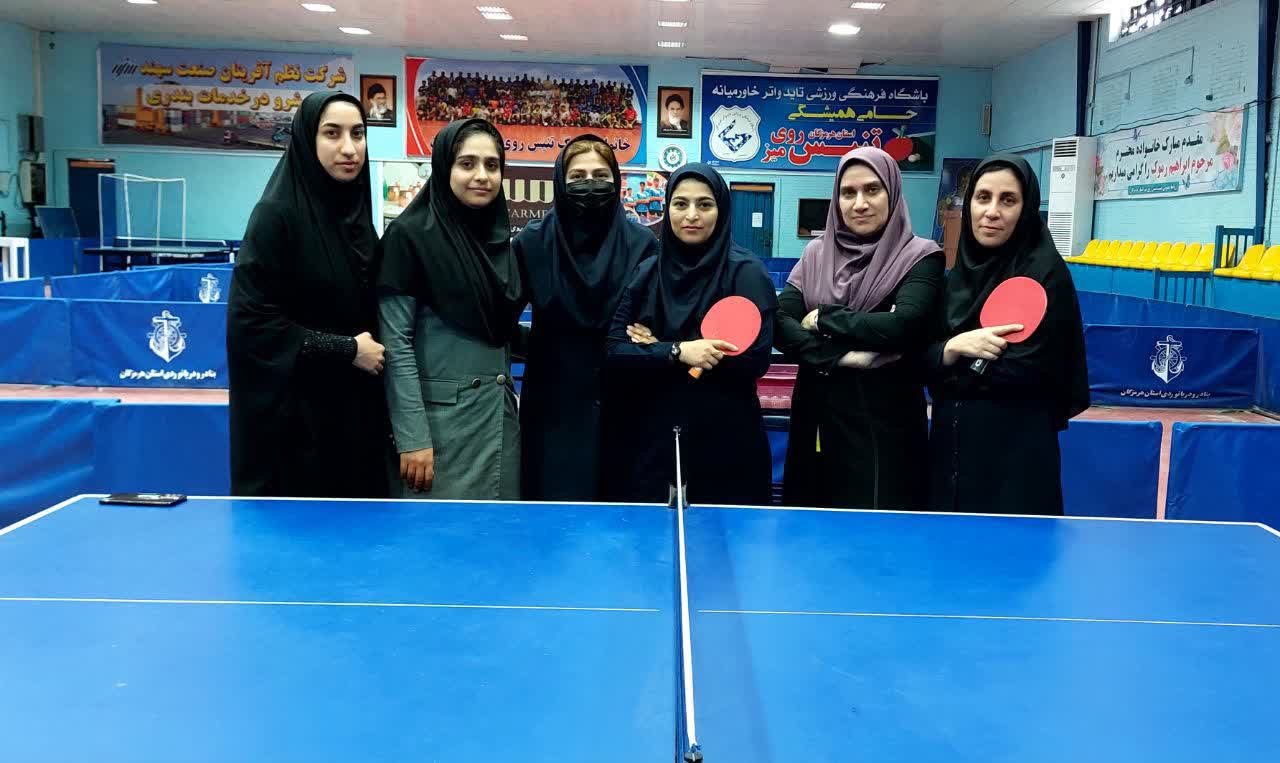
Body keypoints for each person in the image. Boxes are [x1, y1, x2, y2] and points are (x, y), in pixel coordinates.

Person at [227, 91, 390, 497]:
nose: (349, 148)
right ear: (306, 140)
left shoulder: (357, 220)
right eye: (332, 133)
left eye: (358, 134)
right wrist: (346, 349)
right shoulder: (276, 216)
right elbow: (252, 324)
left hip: (354, 420)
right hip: (296, 433)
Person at [776, 147, 945, 510]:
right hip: (816, 418)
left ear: (892, 192)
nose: (859, 204)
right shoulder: (815, 254)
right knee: (809, 527)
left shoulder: (921, 256)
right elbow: (779, 323)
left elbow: (903, 326)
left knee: (879, 532)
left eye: (872, 190)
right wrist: (840, 357)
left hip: (884, 427)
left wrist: (824, 318)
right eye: (848, 193)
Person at [925, 154, 1089, 515]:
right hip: (950, 453)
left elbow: (1029, 369)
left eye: (1008, 200)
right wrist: (953, 348)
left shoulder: (1046, 275)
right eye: (983, 197)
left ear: (1026, 208)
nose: (992, 212)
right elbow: (922, 357)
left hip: (1017, 462)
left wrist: (947, 364)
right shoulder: (954, 280)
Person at [605, 163, 777, 505]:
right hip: (657, 441)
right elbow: (615, 350)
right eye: (680, 204)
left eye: (705, 204)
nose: (692, 215)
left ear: (721, 209)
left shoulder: (746, 273)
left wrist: (653, 349)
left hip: (729, 442)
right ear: (667, 208)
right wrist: (678, 351)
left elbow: (755, 360)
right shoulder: (648, 271)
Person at [378, 118, 525, 500]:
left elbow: (496, 329)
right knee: (436, 534)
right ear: (445, 167)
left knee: (495, 532)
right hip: (438, 432)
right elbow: (396, 344)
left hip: (498, 425)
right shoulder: (410, 236)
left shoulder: (499, 242)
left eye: (492, 165)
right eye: (467, 164)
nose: (482, 176)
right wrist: (412, 437)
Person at [514, 136, 658, 501]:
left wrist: (651, 340)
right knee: (554, 505)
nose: (590, 185)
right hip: (553, 400)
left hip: (623, 400)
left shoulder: (642, 244)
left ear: (616, 180)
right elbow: (499, 317)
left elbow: (657, 322)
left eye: (600, 175)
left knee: (619, 508)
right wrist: (539, 346)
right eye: (577, 176)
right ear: (560, 182)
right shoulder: (532, 243)